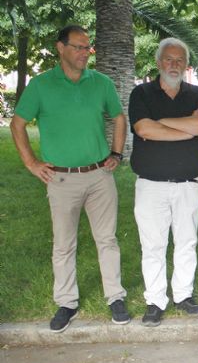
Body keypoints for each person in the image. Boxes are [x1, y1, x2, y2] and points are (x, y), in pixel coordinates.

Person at [10, 25, 130, 332]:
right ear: (60, 48)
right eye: (78, 47)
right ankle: (66, 302)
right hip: (61, 180)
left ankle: (115, 297)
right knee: (63, 245)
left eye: (87, 47)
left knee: (108, 240)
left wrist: (116, 154)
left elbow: (118, 116)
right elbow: (18, 124)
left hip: (99, 176)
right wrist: (31, 163)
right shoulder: (41, 85)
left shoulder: (100, 82)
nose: (84, 53)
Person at [128, 38, 198, 326]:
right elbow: (143, 129)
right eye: (168, 59)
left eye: (179, 60)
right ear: (158, 62)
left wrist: (161, 123)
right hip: (150, 184)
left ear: (186, 65)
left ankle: (183, 295)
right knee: (152, 244)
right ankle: (155, 300)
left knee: (187, 242)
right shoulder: (141, 93)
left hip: (189, 183)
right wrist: (185, 127)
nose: (174, 65)